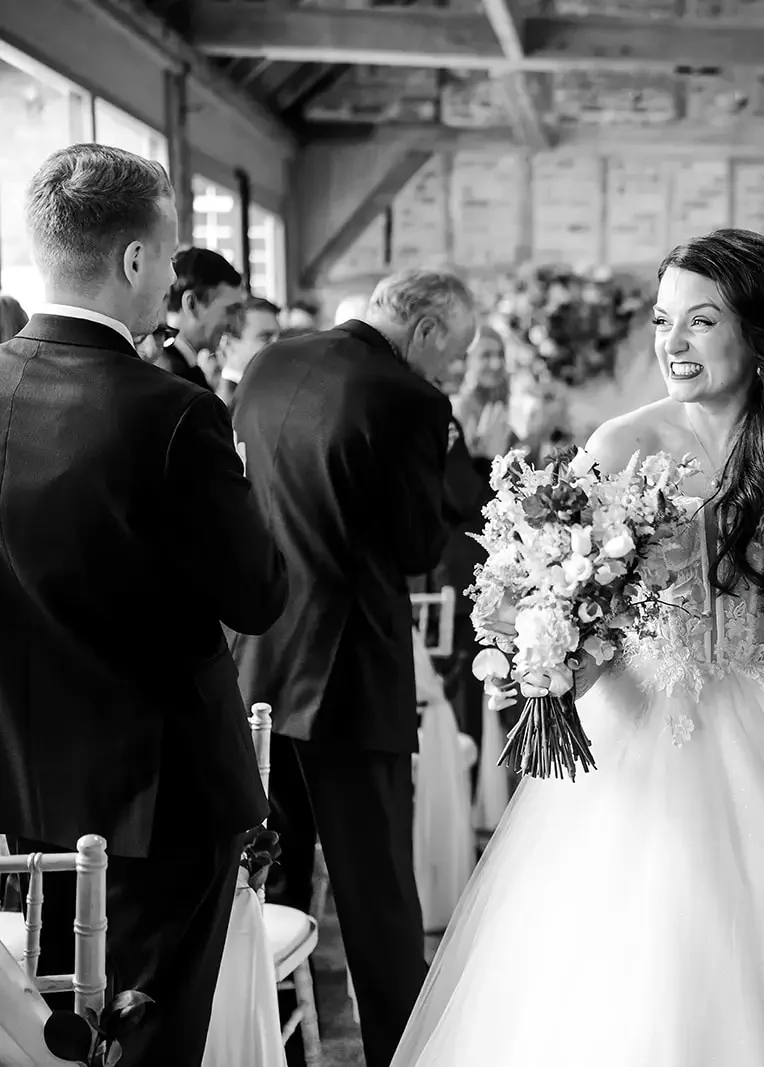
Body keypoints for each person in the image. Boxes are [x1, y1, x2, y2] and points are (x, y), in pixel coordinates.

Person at [392, 228, 764, 1066]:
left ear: (758, 332)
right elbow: (566, 603)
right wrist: (548, 654)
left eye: (701, 322)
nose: (672, 343)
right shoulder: (620, 445)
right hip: (645, 725)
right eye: (662, 320)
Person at [0, 144, 287, 1064]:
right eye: (168, 257)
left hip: (15, 782)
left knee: (52, 1028)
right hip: (156, 800)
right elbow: (257, 593)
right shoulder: (169, 412)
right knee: (149, 1036)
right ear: (132, 261)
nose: (169, 278)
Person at [229, 270, 475, 1067]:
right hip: (348, 672)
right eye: (456, 354)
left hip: (257, 660)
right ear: (428, 327)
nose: (453, 374)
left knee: (274, 881)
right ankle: (400, 1054)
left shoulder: (269, 362)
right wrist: (449, 454)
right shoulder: (410, 402)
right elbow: (414, 546)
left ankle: (272, 1049)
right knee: (378, 903)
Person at [161, 247, 244, 389]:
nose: (236, 327)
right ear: (191, 304)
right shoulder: (173, 379)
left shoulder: (179, 371)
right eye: (229, 310)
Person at [215, 295, 280, 407]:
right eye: (265, 337)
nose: (278, 344)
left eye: (279, 336)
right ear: (228, 343)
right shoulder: (222, 404)